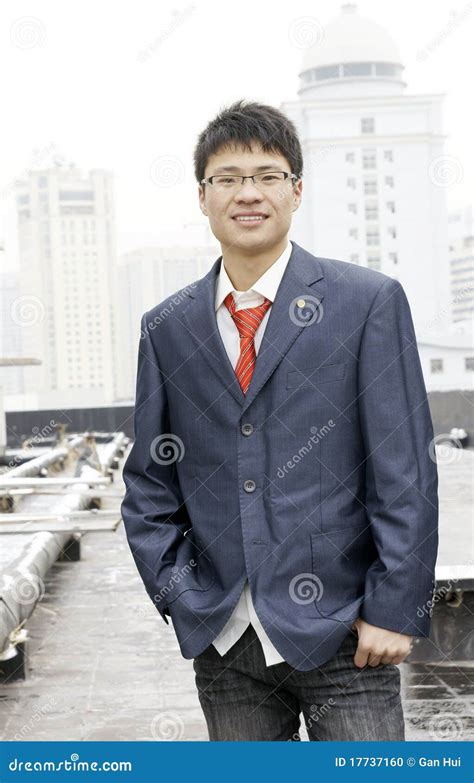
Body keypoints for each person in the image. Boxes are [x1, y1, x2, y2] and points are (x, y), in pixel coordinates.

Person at [121, 99, 439, 741]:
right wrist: (185, 599)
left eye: (267, 175)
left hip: (349, 636)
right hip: (227, 645)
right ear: (203, 197)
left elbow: (404, 471)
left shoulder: (366, 303)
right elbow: (151, 485)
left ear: (296, 191)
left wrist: (394, 609)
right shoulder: (167, 328)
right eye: (228, 178)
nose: (249, 193)